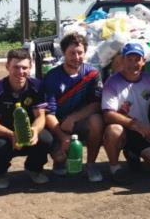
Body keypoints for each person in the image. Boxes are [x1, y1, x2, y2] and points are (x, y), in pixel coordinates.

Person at [101, 43, 150, 183]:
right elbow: (108, 115)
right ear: (122, 61)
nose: (133, 64)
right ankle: (115, 168)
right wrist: (136, 125)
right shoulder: (112, 82)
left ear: (144, 61)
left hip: (142, 131)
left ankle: (132, 153)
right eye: (129, 59)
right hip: (122, 128)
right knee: (114, 130)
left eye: (137, 59)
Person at [42, 33, 106, 182]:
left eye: (80, 53)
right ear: (63, 53)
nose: (76, 57)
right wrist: (62, 136)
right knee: (59, 155)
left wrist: (73, 118)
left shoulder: (92, 73)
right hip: (57, 125)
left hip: (78, 121)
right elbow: (49, 113)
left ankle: (91, 165)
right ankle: (59, 160)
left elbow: (96, 104)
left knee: (96, 120)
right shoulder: (52, 76)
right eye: (72, 53)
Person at [0, 49, 52, 189]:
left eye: (24, 68)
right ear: (7, 66)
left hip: (27, 131)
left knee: (46, 138)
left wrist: (34, 130)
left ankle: (34, 168)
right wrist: (12, 135)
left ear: (30, 67)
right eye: (16, 67)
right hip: (4, 133)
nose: (20, 72)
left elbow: (40, 116)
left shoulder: (37, 87)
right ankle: (0, 174)